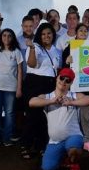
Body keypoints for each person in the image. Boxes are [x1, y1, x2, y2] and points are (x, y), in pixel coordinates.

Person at [29, 68, 89, 170]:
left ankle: (74, 162)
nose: (63, 82)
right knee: (47, 169)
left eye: (67, 80)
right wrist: (51, 101)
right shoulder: (48, 96)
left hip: (73, 137)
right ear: (57, 78)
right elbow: (31, 102)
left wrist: (72, 103)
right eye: (62, 78)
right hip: (55, 141)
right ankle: (64, 159)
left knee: (73, 148)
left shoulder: (73, 96)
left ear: (71, 83)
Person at [21, 23, 62, 159]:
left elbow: (58, 69)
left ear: (53, 35)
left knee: (45, 117)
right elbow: (31, 64)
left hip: (50, 84)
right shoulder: (35, 47)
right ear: (39, 35)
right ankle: (26, 145)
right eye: (43, 34)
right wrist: (32, 48)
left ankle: (41, 146)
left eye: (49, 33)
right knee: (33, 116)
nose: (46, 36)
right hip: (34, 83)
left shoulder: (57, 51)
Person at [62, 23, 89, 152]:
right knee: (72, 117)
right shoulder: (69, 47)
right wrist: (67, 62)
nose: (83, 32)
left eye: (85, 31)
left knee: (87, 116)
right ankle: (73, 141)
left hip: (87, 87)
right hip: (72, 88)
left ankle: (88, 141)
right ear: (76, 33)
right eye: (81, 30)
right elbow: (63, 70)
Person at [0, 28, 23, 146]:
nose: (6, 38)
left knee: (9, 113)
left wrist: (19, 88)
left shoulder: (16, 52)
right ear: (1, 37)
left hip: (11, 88)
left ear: (12, 38)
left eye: (9, 36)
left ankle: (7, 139)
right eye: (4, 36)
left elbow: (20, 71)